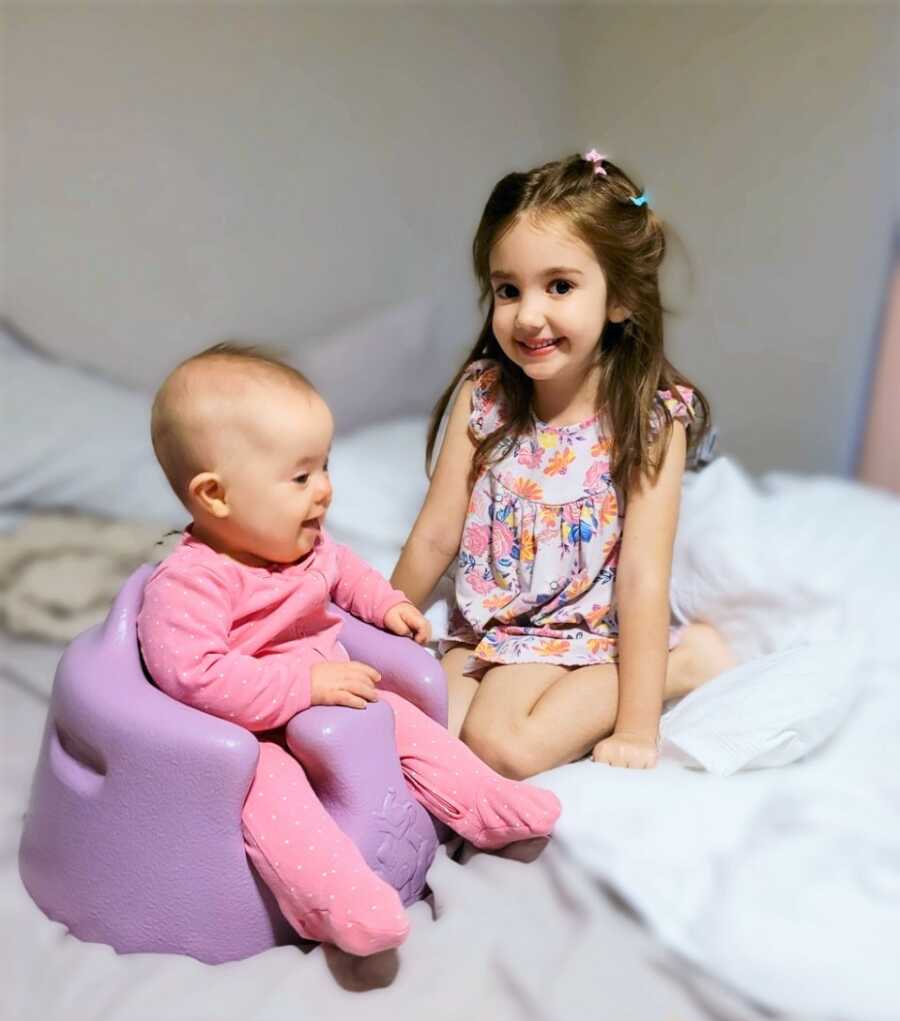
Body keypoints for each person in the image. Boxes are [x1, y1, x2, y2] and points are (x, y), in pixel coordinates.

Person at [137, 344, 561, 957]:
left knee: (401, 718)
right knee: (271, 795)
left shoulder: (301, 544)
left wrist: (386, 604)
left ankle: (482, 800)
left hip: (324, 691)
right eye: (302, 477)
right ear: (216, 496)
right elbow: (194, 678)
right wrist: (302, 689)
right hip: (238, 735)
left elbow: (344, 571)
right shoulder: (189, 583)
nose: (325, 491)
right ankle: (337, 900)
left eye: (325, 467)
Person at [391, 150, 734, 779]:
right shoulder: (485, 394)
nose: (527, 315)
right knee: (421, 736)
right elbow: (435, 534)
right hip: (485, 631)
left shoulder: (649, 418)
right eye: (507, 289)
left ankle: (682, 665)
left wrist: (637, 727)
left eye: (560, 286)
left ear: (620, 299)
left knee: (504, 747)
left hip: (580, 636)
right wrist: (372, 626)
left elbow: (640, 576)